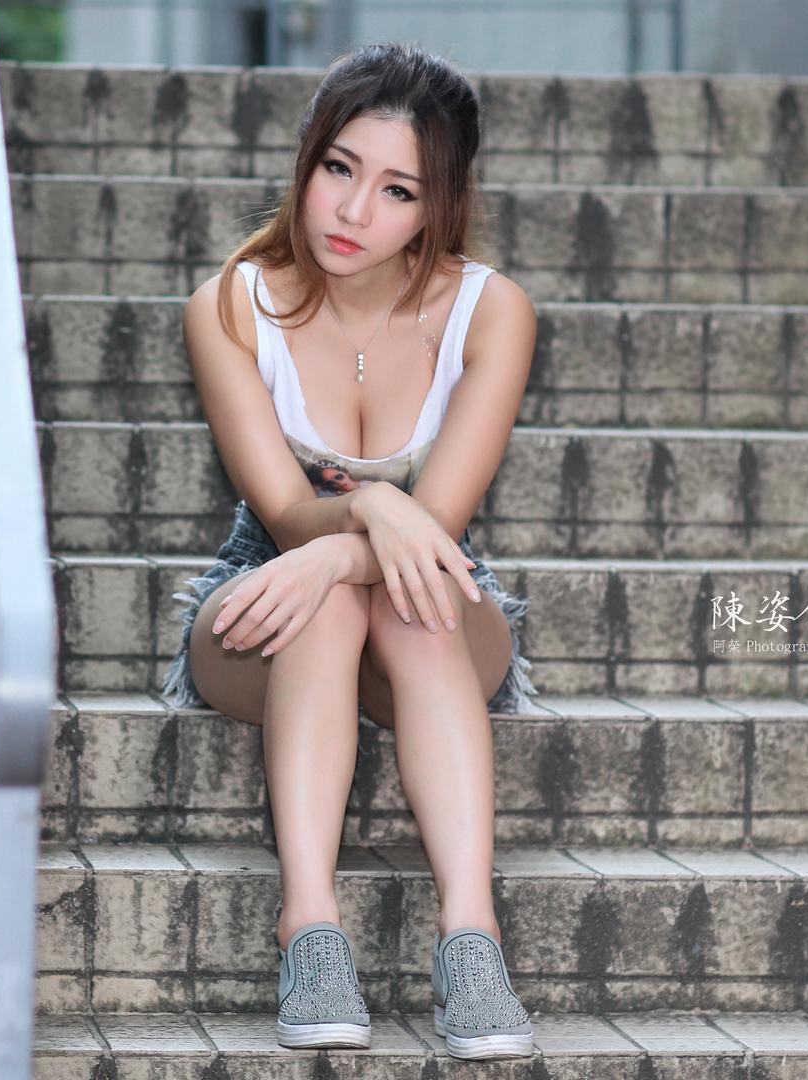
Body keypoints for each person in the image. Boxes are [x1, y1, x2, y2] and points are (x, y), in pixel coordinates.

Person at [157, 41, 540, 1061]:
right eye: (339, 168)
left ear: (437, 205)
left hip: (434, 601)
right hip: (271, 593)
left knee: (412, 600)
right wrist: (370, 507)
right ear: (308, 158)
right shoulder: (232, 305)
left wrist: (358, 537)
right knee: (329, 598)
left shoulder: (489, 311)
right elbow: (288, 515)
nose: (354, 210)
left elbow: (438, 524)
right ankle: (310, 927)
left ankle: (472, 935)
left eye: (397, 190)